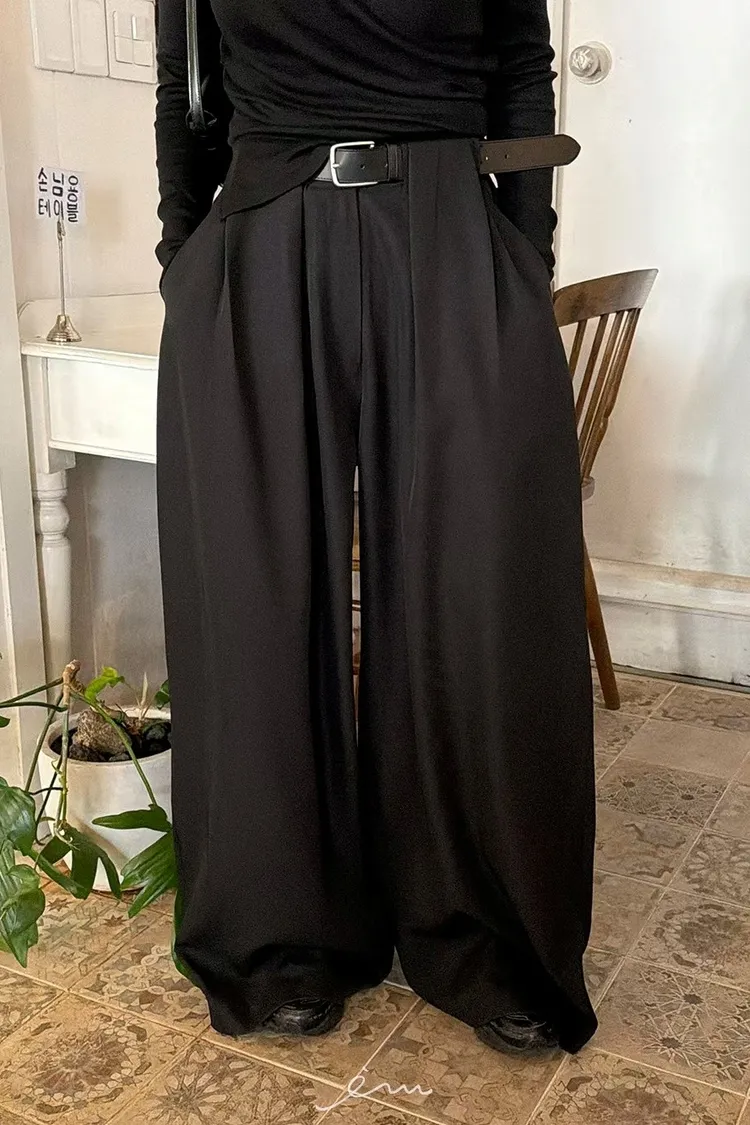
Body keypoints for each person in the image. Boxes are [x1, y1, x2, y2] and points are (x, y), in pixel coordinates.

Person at [153, 0, 598, 1057]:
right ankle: (280, 937)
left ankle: (486, 934)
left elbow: (521, 64)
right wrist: (182, 257)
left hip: (452, 222)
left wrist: (523, 251)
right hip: (262, 230)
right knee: (258, 604)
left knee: (477, 594)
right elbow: (186, 85)